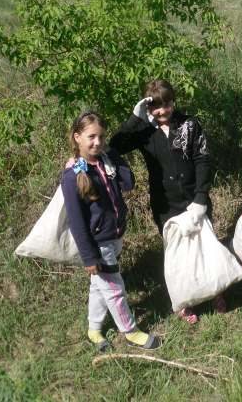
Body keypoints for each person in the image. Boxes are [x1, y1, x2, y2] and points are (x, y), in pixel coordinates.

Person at [110, 79, 222, 323]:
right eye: (156, 107)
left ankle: (216, 291)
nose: (162, 111)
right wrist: (134, 119)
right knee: (177, 254)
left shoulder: (190, 124)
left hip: (194, 198)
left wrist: (201, 196)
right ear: (149, 108)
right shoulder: (144, 131)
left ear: (174, 102)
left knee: (205, 247)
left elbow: (203, 159)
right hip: (165, 203)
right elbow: (114, 147)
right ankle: (185, 300)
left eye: (167, 104)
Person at [62, 111, 160, 351]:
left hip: (115, 235)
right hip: (98, 243)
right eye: (91, 137)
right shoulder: (71, 176)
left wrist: (115, 156)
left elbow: (129, 184)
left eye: (101, 137)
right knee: (115, 289)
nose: (97, 142)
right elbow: (76, 222)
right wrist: (89, 257)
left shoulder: (107, 162)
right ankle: (130, 331)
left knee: (99, 286)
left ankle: (94, 329)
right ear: (77, 137)